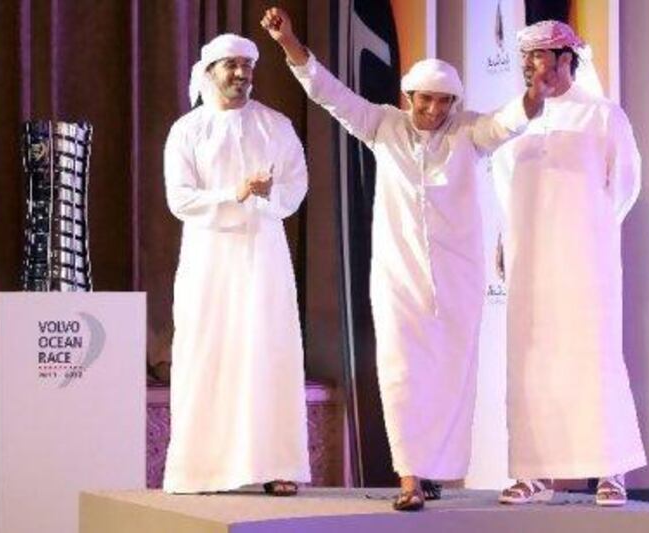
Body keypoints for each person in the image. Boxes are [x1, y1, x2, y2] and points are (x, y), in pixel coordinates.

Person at [260, 7, 552, 511]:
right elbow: (327, 92)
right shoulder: (383, 125)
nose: (434, 111)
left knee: (448, 376)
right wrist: (288, 41)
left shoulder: (469, 132)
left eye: (444, 102)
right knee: (400, 372)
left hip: (457, 278)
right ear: (408, 98)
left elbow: (508, 122)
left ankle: (436, 469)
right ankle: (410, 478)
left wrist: (534, 95)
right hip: (397, 276)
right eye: (426, 101)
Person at [493, 20, 646, 507]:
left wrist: (588, 232)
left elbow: (623, 186)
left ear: (566, 60)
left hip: (585, 260)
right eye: (528, 59)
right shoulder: (513, 118)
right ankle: (533, 471)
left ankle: (610, 469)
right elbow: (502, 187)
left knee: (592, 357)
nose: (534, 68)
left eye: (543, 58)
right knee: (531, 362)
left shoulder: (603, 116)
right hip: (529, 260)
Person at [162, 33, 310, 496]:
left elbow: (295, 187)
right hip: (208, 258)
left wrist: (268, 197)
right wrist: (236, 194)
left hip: (262, 253)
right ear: (209, 72)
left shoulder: (276, 125)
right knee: (206, 351)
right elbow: (180, 199)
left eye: (248, 65)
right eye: (232, 65)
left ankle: (276, 464)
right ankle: (200, 470)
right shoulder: (187, 130)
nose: (242, 74)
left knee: (268, 351)